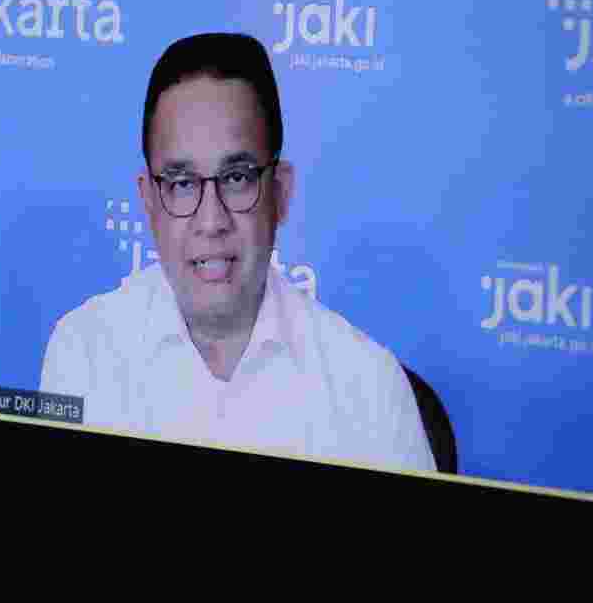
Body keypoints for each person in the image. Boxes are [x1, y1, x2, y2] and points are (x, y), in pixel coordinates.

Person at [39, 33, 436, 473]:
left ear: (280, 193)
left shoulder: (370, 388)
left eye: (237, 178)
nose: (211, 221)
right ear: (149, 202)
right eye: (182, 183)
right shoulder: (83, 354)